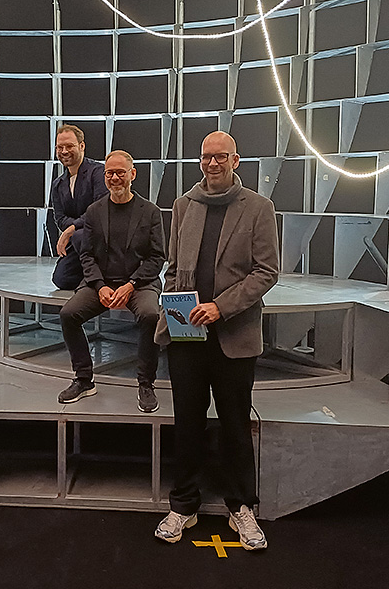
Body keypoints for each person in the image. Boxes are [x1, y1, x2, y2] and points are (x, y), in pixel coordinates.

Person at [153, 131, 279, 551]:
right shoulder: (183, 205)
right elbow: (174, 268)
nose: (212, 163)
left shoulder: (258, 208)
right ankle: (183, 505)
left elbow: (266, 272)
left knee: (235, 427)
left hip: (233, 337)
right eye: (206, 157)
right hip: (187, 336)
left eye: (220, 157)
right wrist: (175, 306)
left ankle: (240, 507)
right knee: (186, 425)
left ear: (235, 160)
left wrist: (220, 307)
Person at [57, 150, 166, 413]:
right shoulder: (94, 212)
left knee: (150, 315)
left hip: (139, 283)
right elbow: (86, 255)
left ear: (132, 174)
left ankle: (146, 383)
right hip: (102, 283)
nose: (114, 178)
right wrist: (100, 285)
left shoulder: (150, 212)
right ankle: (84, 379)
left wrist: (131, 285)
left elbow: (157, 257)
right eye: (109, 173)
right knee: (68, 314)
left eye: (120, 172)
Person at [50, 124, 108, 290]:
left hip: (101, 238)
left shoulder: (98, 172)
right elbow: (60, 219)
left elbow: (100, 209)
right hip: (78, 241)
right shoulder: (58, 184)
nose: (64, 151)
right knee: (61, 279)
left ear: (82, 146)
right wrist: (74, 228)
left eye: (69, 146)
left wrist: (72, 228)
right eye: (60, 147)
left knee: (78, 236)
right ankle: (94, 278)